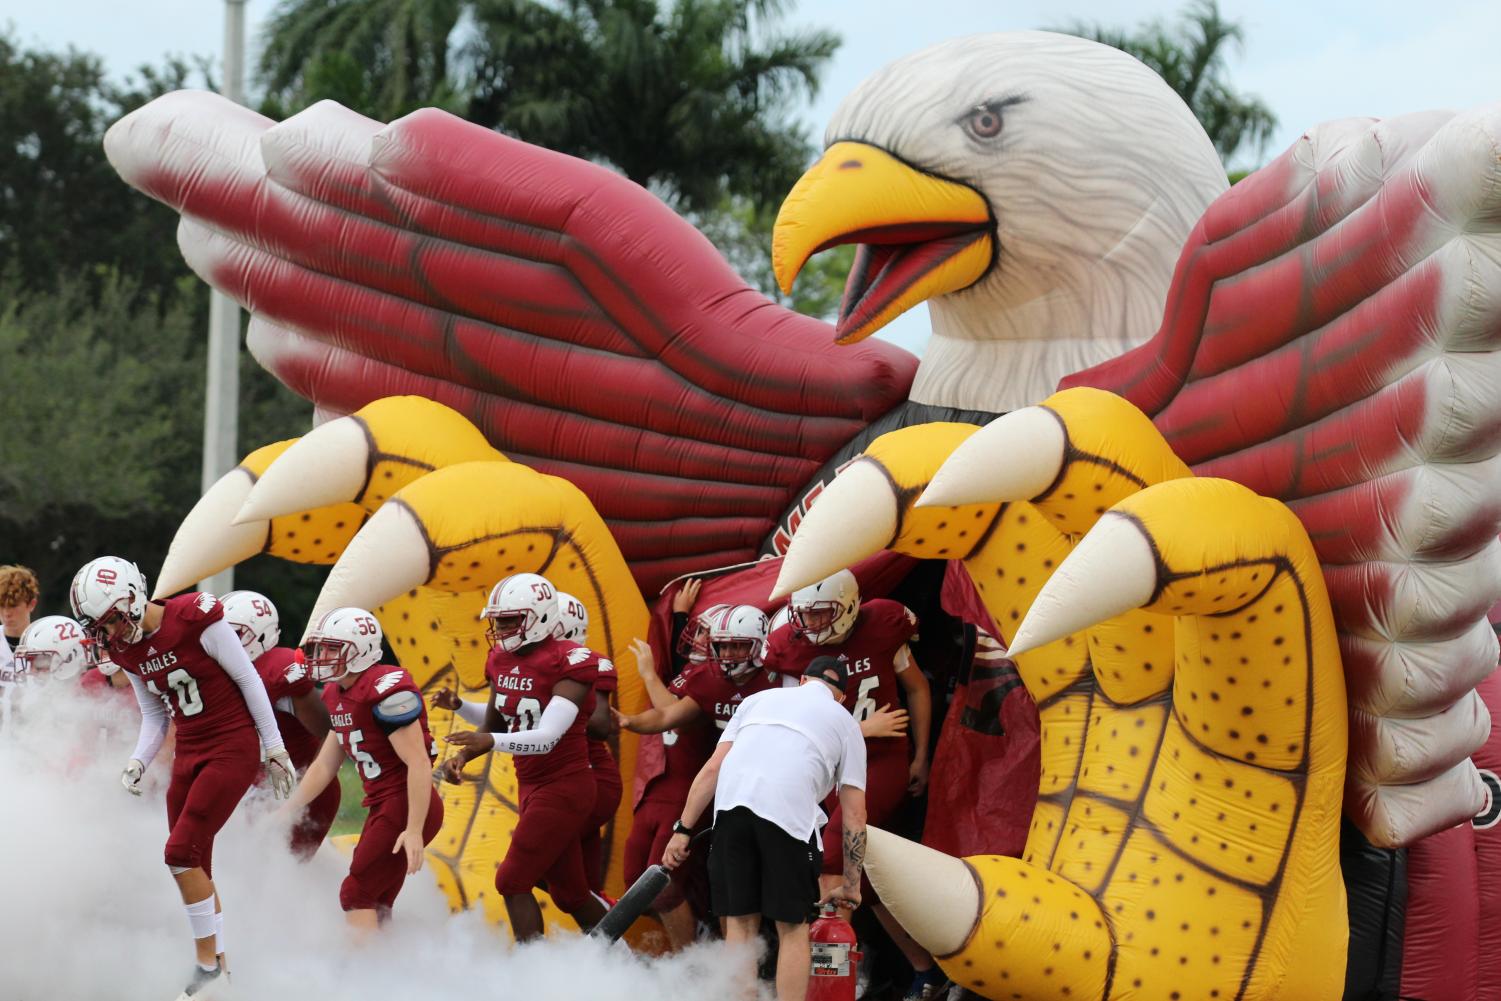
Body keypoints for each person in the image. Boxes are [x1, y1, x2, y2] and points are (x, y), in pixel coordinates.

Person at [69, 556, 294, 1000]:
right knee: (197, 865)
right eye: (100, 627)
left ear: (132, 598)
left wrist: (274, 746)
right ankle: (223, 972)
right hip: (188, 751)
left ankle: (206, 968)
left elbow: (248, 679)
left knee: (178, 853)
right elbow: (154, 713)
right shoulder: (124, 649)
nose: (109, 634)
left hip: (231, 745)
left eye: (111, 620)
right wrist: (138, 760)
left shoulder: (193, 617)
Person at [764, 568, 944, 1001]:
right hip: (833, 766)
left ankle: (833, 979)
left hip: (879, 763)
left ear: (847, 606)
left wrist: (921, 755)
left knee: (833, 851)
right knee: (868, 885)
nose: (811, 626)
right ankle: (926, 972)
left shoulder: (881, 623)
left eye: (822, 615)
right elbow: (798, 723)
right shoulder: (793, 646)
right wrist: (861, 728)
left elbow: (918, 690)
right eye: (804, 616)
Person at [663, 655, 867, 1001]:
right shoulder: (844, 721)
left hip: (730, 811)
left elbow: (712, 769)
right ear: (841, 697)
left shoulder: (757, 701)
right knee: (792, 928)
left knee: (740, 923)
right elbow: (855, 815)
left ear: (802, 681)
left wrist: (682, 829)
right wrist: (851, 884)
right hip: (787, 818)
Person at [436, 572, 609, 941]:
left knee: (511, 880)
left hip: (565, 785)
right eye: (497, 620)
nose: (499, 629)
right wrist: (464, 757)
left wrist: (489, 743)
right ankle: (629, 964)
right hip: (530, 784)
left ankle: (531, 977)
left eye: (509, 620)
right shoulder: (499, 658)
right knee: (570, 894)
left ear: (541, 616)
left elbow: (547, 737)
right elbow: (494, 722)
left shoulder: (570, 661)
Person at [615, 602, 779, 946]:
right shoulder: (709, 678)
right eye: (723, 644)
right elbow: (668, 716)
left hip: (769, 792)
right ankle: (709, 963)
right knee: (720, 888)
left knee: (771, 891)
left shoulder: (782, 679)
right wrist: (628, 721)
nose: (727, 653)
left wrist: (861, 728)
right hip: (720, 790)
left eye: (737, 645)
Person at [282, 607, 443, 930]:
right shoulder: (336, 692)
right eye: (321, 648)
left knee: (356, 893)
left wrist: (413, 829)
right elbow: (326, 764)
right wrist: (288, 809)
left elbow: (418, 763)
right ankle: (390, 967)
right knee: (377, 899)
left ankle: (363, 974)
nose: (322, 656)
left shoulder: (385, 689)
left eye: (332, 648)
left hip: (405, 802)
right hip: (385, 805)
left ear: (362, 650)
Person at [221, 590, 338, 859]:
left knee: (273, 876)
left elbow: (328, 734)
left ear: (260, 635)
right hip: (250, 787)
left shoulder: (281, 671)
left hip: (294, 785)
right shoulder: (215, 671)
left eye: (233, 634)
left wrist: (298, 797)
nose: (222, 641)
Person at [554, 591, 620, 898]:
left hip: (591, 776)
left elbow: (600, 726)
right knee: (585, 882)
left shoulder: (588, 665)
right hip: (563, 780)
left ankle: (601, 918)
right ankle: (604, 930)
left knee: (543, 861)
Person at [0, 564, 40, 726]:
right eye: (2, 605)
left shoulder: (46, 642)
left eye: (13, 605)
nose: (6, 613)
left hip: (34, 739)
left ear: (31, 604)